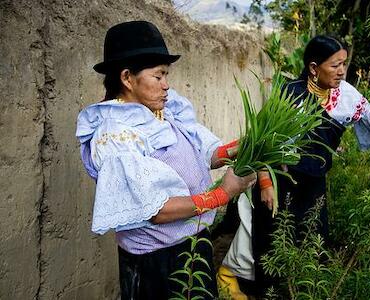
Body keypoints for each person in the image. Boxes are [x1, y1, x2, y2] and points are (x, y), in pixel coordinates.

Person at [75, 21, 257, 300]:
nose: (166, 85)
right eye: (158, 76)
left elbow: (195, 152)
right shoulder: (116, 134)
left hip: (192, 241)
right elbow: (156, 209)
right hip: (160, 262)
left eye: (166, 75)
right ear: (127, 78)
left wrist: (237, 150)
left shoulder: (159, 110)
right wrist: (223, 194)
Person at [251, 34, 370, 296]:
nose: (342, 71)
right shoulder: (290, 94)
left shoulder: (344, 96)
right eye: (335, 65)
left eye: (344, 64)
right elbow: (263, 141)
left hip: (314, 184)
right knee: (275, 245)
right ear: (313, 68)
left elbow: (369, 115)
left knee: (314, 242)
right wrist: (265, 183)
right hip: (280, 183)